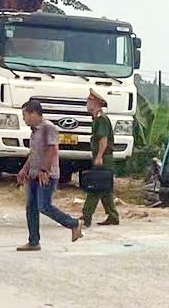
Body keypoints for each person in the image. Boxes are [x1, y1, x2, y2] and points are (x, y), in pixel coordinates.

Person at [16, 100, 83, 251]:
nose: (24, 119)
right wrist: (24, 170)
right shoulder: (34, 131)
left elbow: (53, 150)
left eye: (25, 115)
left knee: (44, 206)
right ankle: (33, 241)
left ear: (33, 114)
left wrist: (45, 170)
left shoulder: (48, 128)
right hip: (34, 174)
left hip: (47, 175)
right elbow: (33, 154)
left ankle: (74, 223)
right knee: (31, 207)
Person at [81, 88, 120, 227]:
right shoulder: (98, 118)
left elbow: (103, 139)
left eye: (89, 101)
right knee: (105, 188)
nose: (87, 103)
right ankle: (113, 215)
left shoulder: (101, 119)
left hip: (104, 157)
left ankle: (86, 216)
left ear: (96, 103)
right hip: (104, 157)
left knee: (95, 186)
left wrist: (99, 156)